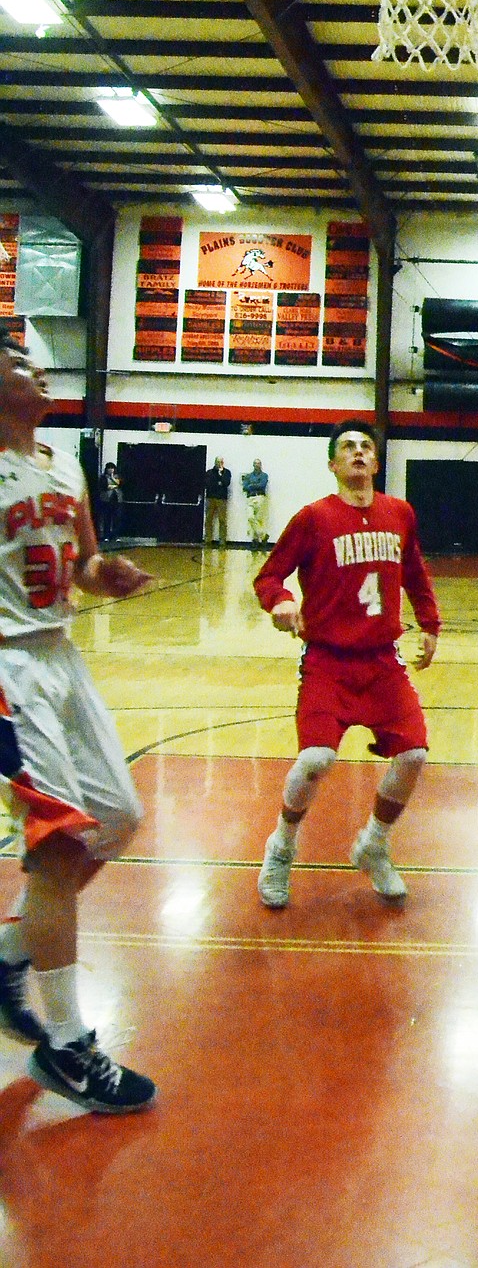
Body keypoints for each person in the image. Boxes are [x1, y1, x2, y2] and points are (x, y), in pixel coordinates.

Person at [0, 333, 156, 1113]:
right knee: (59, 843)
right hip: (6, 668)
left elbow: (86, 564)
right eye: (15, 357)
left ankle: (9, 953)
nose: (35, 367)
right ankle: (66, 1045)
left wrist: (108, 574)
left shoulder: (61, 463)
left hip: (61, 657)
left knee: (118, 818)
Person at [253, 422, 440, 908]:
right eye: (347, 448)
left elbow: (415, 573)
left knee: (415, 755)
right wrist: (280, 601)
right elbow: (269, 575)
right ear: (333, 464)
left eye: (365, 447)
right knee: (317, 759)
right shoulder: (313, 518)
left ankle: (374, 844)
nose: (358, 453)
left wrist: (430, 626)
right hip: (328, 660)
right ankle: (281, 846)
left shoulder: (401, 513)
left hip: (382, 660)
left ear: (376, 463)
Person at [242, 457, 270, 550]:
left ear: (260, 465)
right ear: (253, 465)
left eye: (258, 463)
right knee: (250, 518)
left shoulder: (264, 475)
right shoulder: (248, 476)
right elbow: (245, 487)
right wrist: (254, 485)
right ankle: (263, 536)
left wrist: (251, 485)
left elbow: (262, 485)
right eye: (255, 463)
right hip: (250, 498)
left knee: (258, 519)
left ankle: (255, 541)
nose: (256, 465)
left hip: (260, 497)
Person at [204, 456, 231, 546]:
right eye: (218, 462)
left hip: (221, 499)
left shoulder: (227, 472)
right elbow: (208, 484)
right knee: (208, 519)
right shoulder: (209, 472)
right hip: (210, 498)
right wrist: (218, 483)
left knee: (222, 520)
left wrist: (220, 475)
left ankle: (222, 540)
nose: (219, 463)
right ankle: (208, 539)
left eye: (221, 462)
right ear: (215, 462)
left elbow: (226, 483)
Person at [96, 462, 122, 547]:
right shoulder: (103, 477)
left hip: (116, 500)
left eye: (112, 468)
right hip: (107, 500)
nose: (110, 470)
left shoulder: (117, 477)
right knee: (107, 518)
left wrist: (112, 479)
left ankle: (115, 535)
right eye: (109, 468)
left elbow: (119, 484)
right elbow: (105, 486)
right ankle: (106, 535)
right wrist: (113, 486)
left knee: (116, 518)